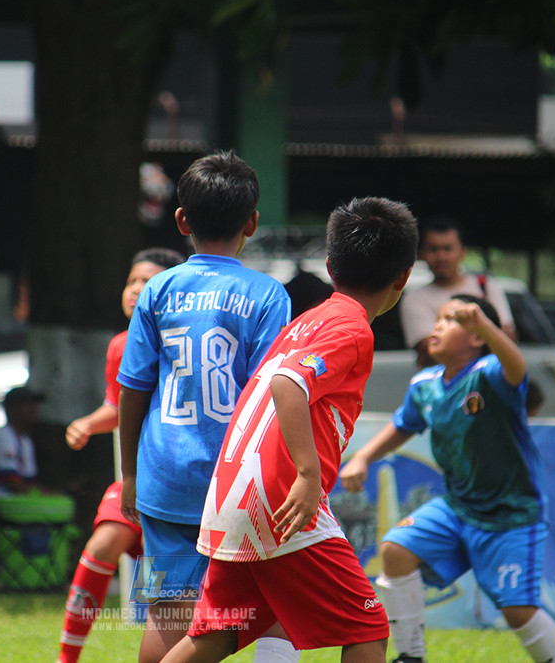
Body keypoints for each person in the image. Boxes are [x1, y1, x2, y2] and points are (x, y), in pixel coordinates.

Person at [163, 196, 418, 663]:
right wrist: (307, 474)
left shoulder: (308, 321)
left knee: (218, 633)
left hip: (231, 493)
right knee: (367, 627)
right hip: (279, 500)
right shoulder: (352, 328)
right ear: (403, 276)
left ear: (330, 267)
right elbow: (288, 383)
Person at [117, 151, 292, 663]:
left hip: (163, 477)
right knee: (273, 600)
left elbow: (133, 388)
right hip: (235, 479)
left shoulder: (158, 288)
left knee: (167, 614)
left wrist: (130, 474)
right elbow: (271, 396)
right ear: (252, 223)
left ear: (181, 221)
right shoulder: (268, 295)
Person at [339, 294, 555, 663]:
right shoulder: (425, 383)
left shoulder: (491, 373)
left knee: (517, 611)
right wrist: (364, 457)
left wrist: (487, 326)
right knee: (396, 549)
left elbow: (517, 369)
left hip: (511, 515)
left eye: (451, 320)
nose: (438, 326)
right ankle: (411, 656)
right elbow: (404, 425)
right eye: (439, 318)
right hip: (457, 507)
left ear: (477, 337)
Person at [58, 246, 184, 663]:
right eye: (131, 281)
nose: (134, 289)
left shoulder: (185, 342)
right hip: (137, 479)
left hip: (181, 482)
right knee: (103, 544)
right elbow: (118, 405)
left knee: (158, 589)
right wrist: (87, 424)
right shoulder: (120, 346)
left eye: (146, 282)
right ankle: (66, 657)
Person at [399, 217, 515, 367]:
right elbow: (428, 350)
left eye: (447, 249)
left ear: (462, 251)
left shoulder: (487, 286)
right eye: (433, 249)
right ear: (421, 254)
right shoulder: (414, 299)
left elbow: (508, 336)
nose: (441, 256)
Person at [0, 386, 45, 494]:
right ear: (10, 409)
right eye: (27, 405)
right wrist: (48, 493)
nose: (34, 409)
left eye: (34, 404)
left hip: (18, 502)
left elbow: (30, 481)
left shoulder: (26, 440)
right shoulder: (2, 436)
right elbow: (12, 484)